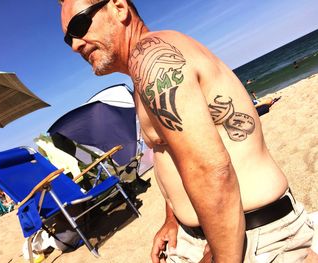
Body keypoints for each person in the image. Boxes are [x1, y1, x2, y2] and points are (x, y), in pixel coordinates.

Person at [58, 1, 316, 262]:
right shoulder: (141, 73)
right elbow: (173, 153)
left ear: (120, 8)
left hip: (251, 236)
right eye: (68, 39)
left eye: (79, 26)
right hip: (208, 234)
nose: (75, 45)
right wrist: (173, 219)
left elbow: (210, 169)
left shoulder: (152, 56)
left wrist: (222, 254)